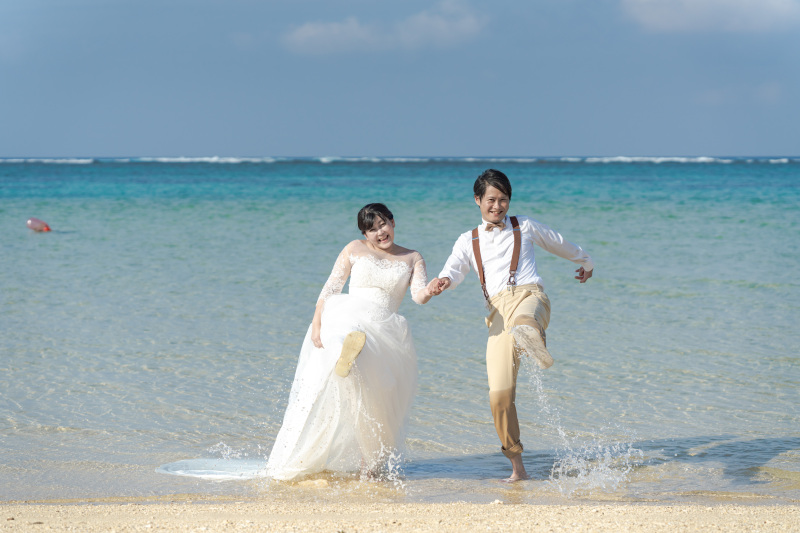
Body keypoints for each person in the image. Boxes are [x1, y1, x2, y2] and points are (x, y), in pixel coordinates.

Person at [426, 169, 594, 482]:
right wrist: (443, 282)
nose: (498, 206)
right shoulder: (468, 240)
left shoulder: (525, 226)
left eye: (504, 200)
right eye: (491, 199)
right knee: (499, 398)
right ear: (477, 200)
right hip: (496, 315)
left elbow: (559, 243)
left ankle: (533, 337)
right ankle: (518, 469)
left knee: (525, 320)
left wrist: (585, 261)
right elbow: (454, 270)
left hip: (530, 295)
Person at [266, 203, 433, 481]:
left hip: (385, 329)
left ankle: (370, 465)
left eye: (383, 225)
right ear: (364, 234)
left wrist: (432, 289)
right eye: (372, 229)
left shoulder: (412, 257)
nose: (380, 232)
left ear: (393, 222)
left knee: (375, 398)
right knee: (349, 334)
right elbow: (331, 287)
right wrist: (317, 323)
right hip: (350, 315)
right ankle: (346, 349)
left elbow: (418, 296)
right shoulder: (354, 248)